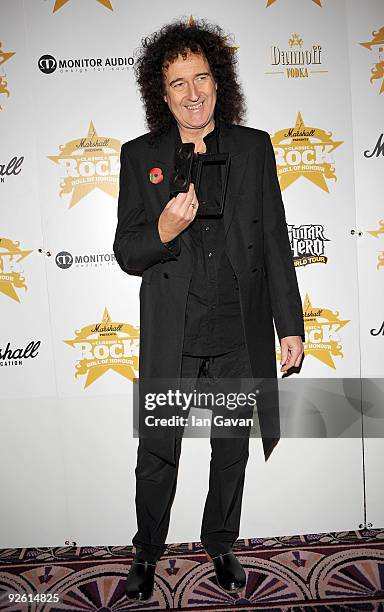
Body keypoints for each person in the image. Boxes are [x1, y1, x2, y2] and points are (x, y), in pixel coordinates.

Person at [113, 18, 304, 603]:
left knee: (230, 446)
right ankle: (146, 550)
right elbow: (127, 251)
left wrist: (289, 326)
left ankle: (219, 541)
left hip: (235, 334)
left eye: (201, 79)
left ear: (219, 83)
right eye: (177, 83)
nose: (192, 94)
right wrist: (165, 230)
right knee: (158, 451)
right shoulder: (138, 156)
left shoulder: (253, 148)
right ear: (161, 93)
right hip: (175, 334)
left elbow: (274, 237)